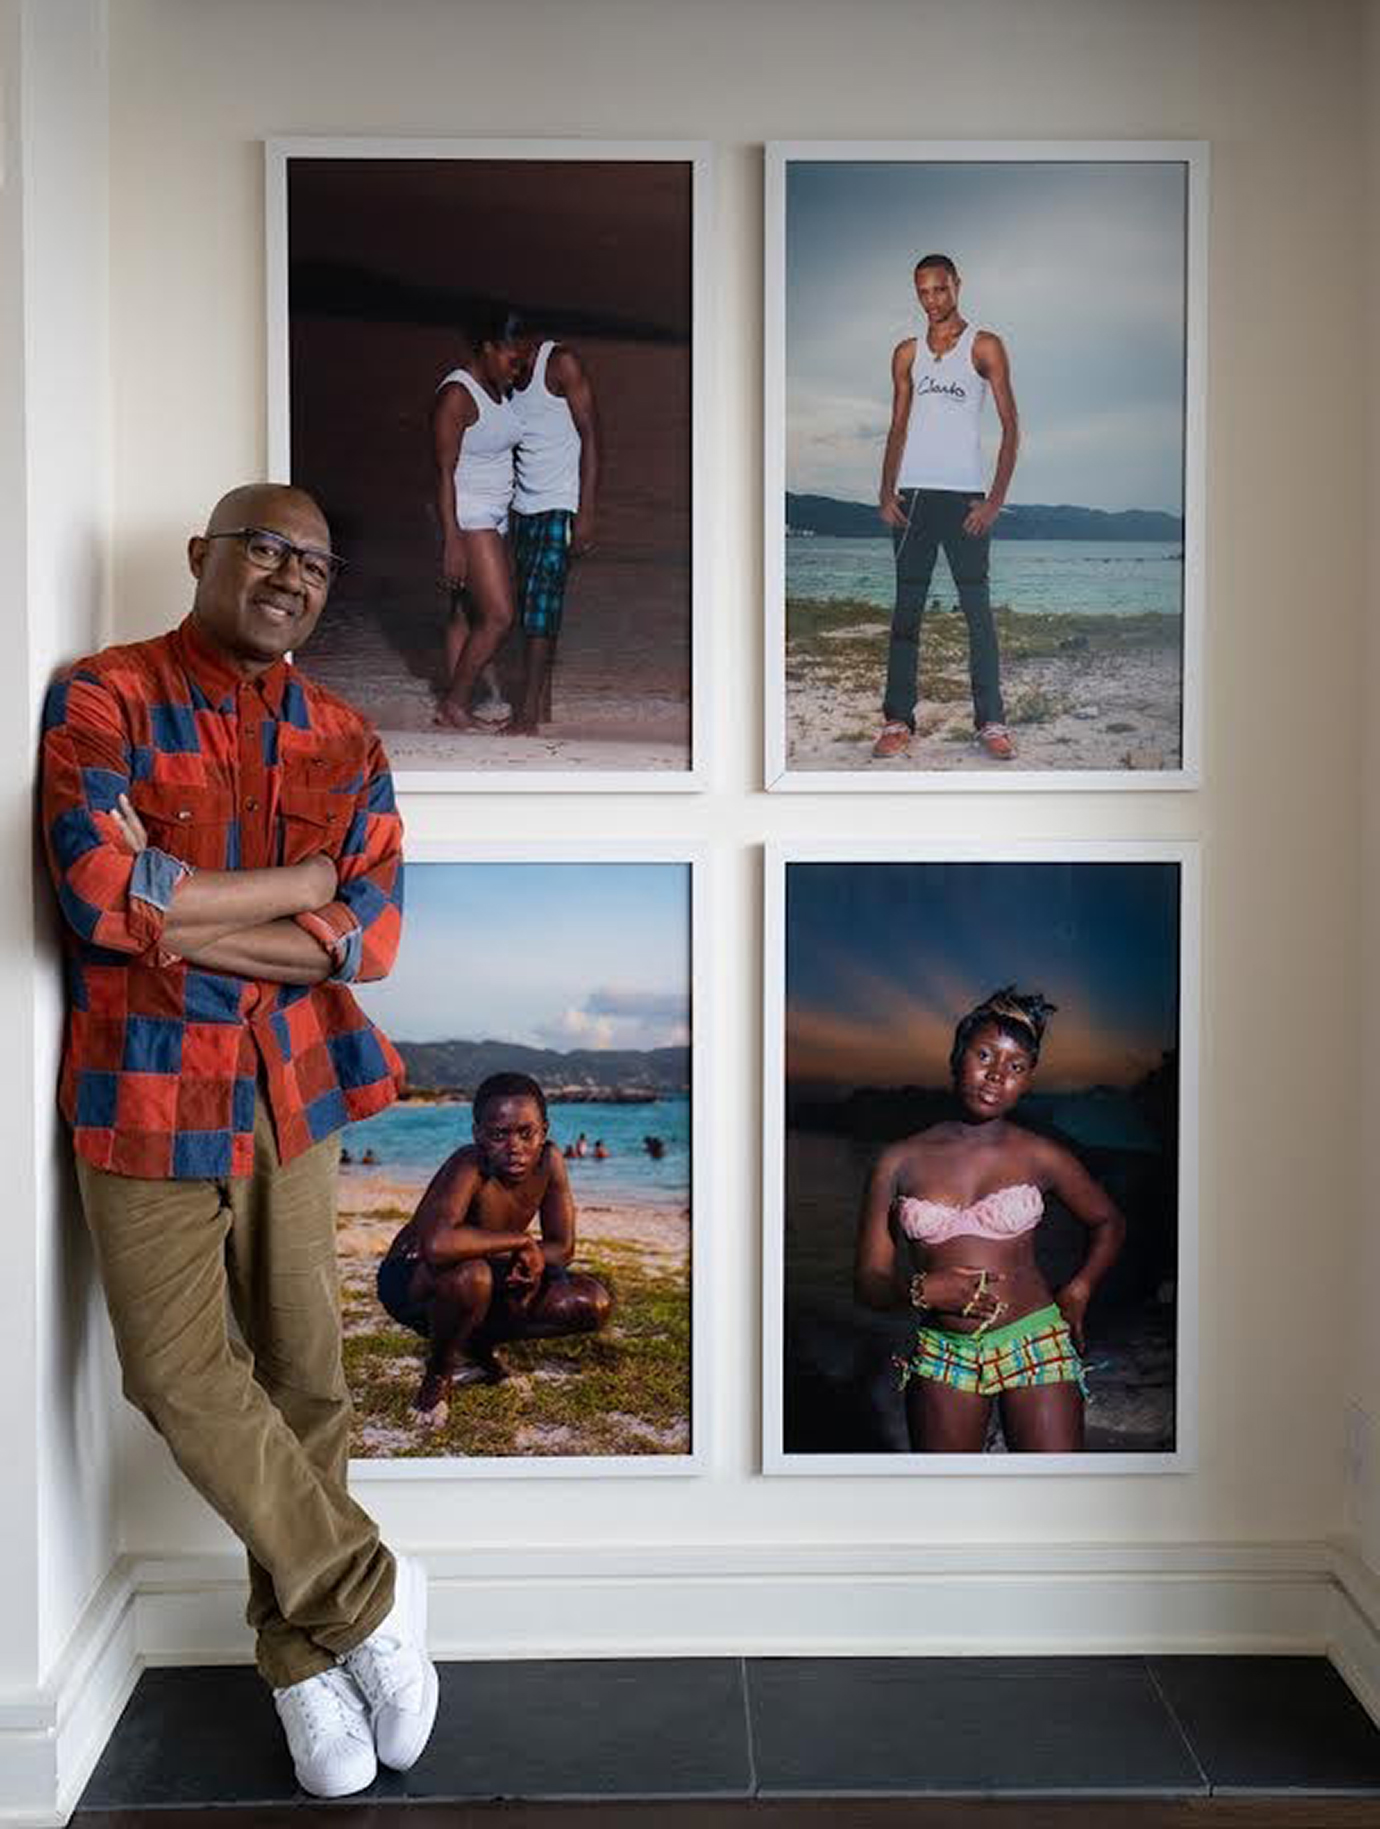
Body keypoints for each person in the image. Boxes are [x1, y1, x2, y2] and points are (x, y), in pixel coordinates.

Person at [40, 484, 437, 1799]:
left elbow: (368, 940)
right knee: (174, 1371)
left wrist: (191, 904)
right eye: (266, 546)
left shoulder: (347, 737)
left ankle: (302, 1660)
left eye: (316, 561)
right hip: (139, 1088)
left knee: (305, 1370)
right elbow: (98, 896)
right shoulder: (102, 695)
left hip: (294, 1087)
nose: (291, 574)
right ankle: (372, 1591)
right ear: (203, 554)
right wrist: (301, 891)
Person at [854, 988, 1125, 1453]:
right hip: (944, 1353)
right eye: (984, 1055)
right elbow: (870, 1282)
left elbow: (1109, 1222)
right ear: (957, 1057)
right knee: (947, 1509)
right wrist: (922, 1290)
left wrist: (1079, 1290)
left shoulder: (1042, 1154)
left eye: (1016, 1066)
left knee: (1051, 1506)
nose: (997, 1075)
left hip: (1036, 1340)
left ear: (1027, 1081)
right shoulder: (897, 1162)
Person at [377, 1072, 613, 1427]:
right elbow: (439, 1245)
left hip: (485, 1271)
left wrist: (526, 1259)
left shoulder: (550, 1162)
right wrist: (521, 1243)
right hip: (415, 1280)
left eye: (526, 1133)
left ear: (544, 1132)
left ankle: (474, 1343)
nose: (514, 1146)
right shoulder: (468, 1164)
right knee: (472, 1276)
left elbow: (562, 1247)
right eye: (499, 1134)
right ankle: (438, 1375)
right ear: (478, 1135)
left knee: (591, 1302)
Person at [873, 254, 1020, 764]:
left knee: (978, 614)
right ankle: (897, 720)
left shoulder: (985, 346)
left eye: (939, 289)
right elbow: (897, 427)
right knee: (906, 615)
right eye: (923, 291)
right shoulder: (906, 353)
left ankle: (992, 723)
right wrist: (885, 491)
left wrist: (995, 501)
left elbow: (1010, 427)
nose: (931, 299)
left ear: (957, 285)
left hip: (965, 500)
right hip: (913, 497)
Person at [431, 307, 525, 731]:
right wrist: (452, 540)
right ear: (488, 348)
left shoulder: (499, 390)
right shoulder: (457, 395)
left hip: (494, 514)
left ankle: (456, 707)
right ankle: (455, 702)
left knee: (465, 615)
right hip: (468, 516)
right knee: (501, 616)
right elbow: (442, 472)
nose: (517, 366)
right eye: (511, 357)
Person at [506, 330, 601, 734]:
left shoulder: (561, 363)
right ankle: (541, 705)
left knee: (542, 608)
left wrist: (586, 512)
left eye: (511, 349)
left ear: (522, 341)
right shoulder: (506, 378)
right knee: (531, 608)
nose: (508, 360)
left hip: (559, 506)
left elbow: (592, 436)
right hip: (521, 508)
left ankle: (526, 716)